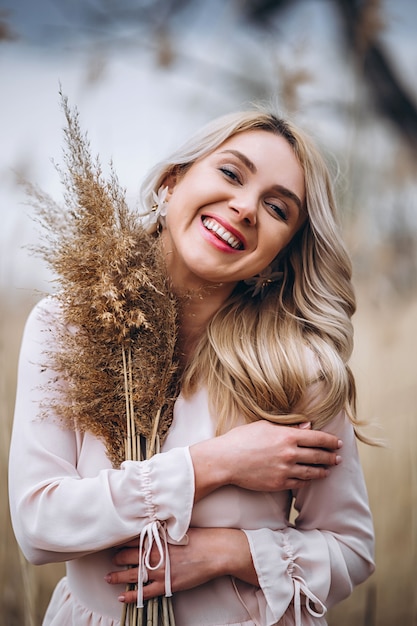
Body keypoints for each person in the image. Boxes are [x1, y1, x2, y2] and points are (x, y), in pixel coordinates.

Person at [9, 108, 375, 626]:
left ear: (277, 258)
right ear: (171, 181)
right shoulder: (66, 327)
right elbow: (37, 525)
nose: (246, 207)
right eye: (231, 173)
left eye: (277, 208)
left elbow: (352, 552)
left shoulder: (299, 371)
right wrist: (213, 464)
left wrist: (232, 553)